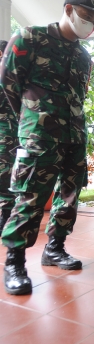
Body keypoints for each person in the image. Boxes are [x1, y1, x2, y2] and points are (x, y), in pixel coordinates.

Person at [0, 0, 94, 295]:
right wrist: (32, 121)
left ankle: (55, 248)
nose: (90, 25)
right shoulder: (29, 38)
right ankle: (15, 262)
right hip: (40, 136)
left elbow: (80, 96)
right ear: (69, 10)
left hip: (74, 134)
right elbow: (8, 85)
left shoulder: (83, 57)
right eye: (87, 17)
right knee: (31, 196)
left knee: (70, 194)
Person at [0, 39, 17, 236]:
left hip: (7, 134)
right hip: (9, 133)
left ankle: (6, 217)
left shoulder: (7, 75)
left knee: (5, 176)